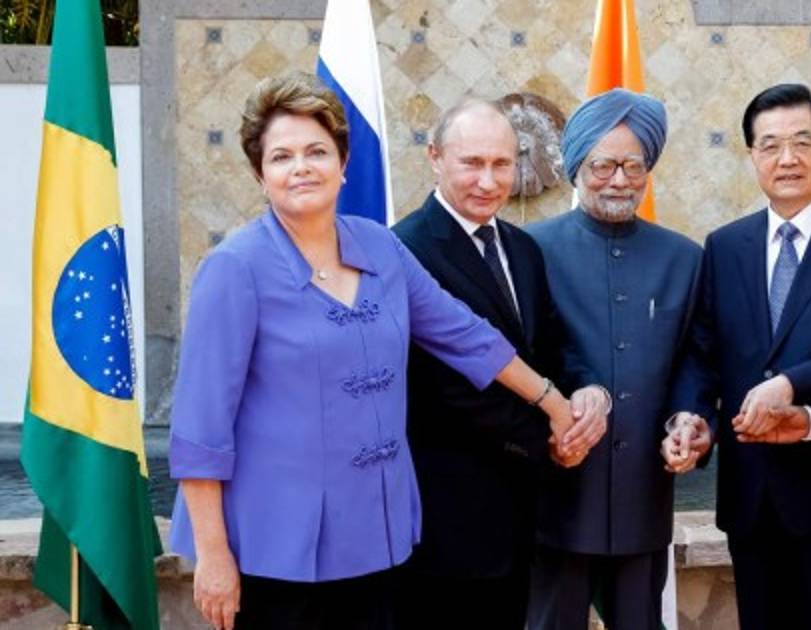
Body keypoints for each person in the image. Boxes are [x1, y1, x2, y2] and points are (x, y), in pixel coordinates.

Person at [167, 72, 591, 630]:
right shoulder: (234, 269)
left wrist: (555, 404)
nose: (301, 168)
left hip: (374, 537)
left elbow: (467, 336)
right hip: (274, 548)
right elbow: (201, 429)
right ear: (260, 173)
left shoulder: (380, 247)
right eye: (282, 157)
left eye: (317, 151)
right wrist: (213, 555)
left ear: (343, 163)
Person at [668, 83, 811, 629]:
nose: (787, 158)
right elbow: (703, 353)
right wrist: (691, 417)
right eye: (770, 145)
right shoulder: (726, 245)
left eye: (802, 142)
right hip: (751, 493)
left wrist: (790, 386)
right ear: (752, 155)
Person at [390, 98, 608, 629]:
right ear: (435, 157)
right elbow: (437, 385)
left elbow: (549, 346)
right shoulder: (403, 250)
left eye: (502, 164)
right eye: (472, 163)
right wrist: (550, 436)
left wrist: (587, 392)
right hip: (445, 526)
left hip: (521, 519)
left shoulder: (522, 248)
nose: (488, 181)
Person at [523, 88, 702, 630]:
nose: (619, 180)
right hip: (556, 496)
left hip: (643, 494)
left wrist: (689, 420)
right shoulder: (530, 249)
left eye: (633, 165)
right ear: (577, 167)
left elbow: (695, 362)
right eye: (603, 165)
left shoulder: (684, 258)